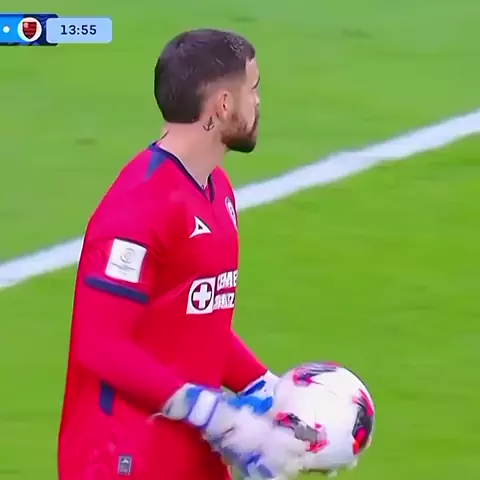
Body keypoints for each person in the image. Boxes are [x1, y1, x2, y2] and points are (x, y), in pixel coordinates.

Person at [57, 28, 309, 480]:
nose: (258, 102)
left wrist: (265, 387)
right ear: (224, 105)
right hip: (122, 457)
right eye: (253, 88)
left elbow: (193, 321)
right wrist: (210, 413)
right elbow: (101, 344)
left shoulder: (217, 188)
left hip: (189, 452)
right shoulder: (139, 207)